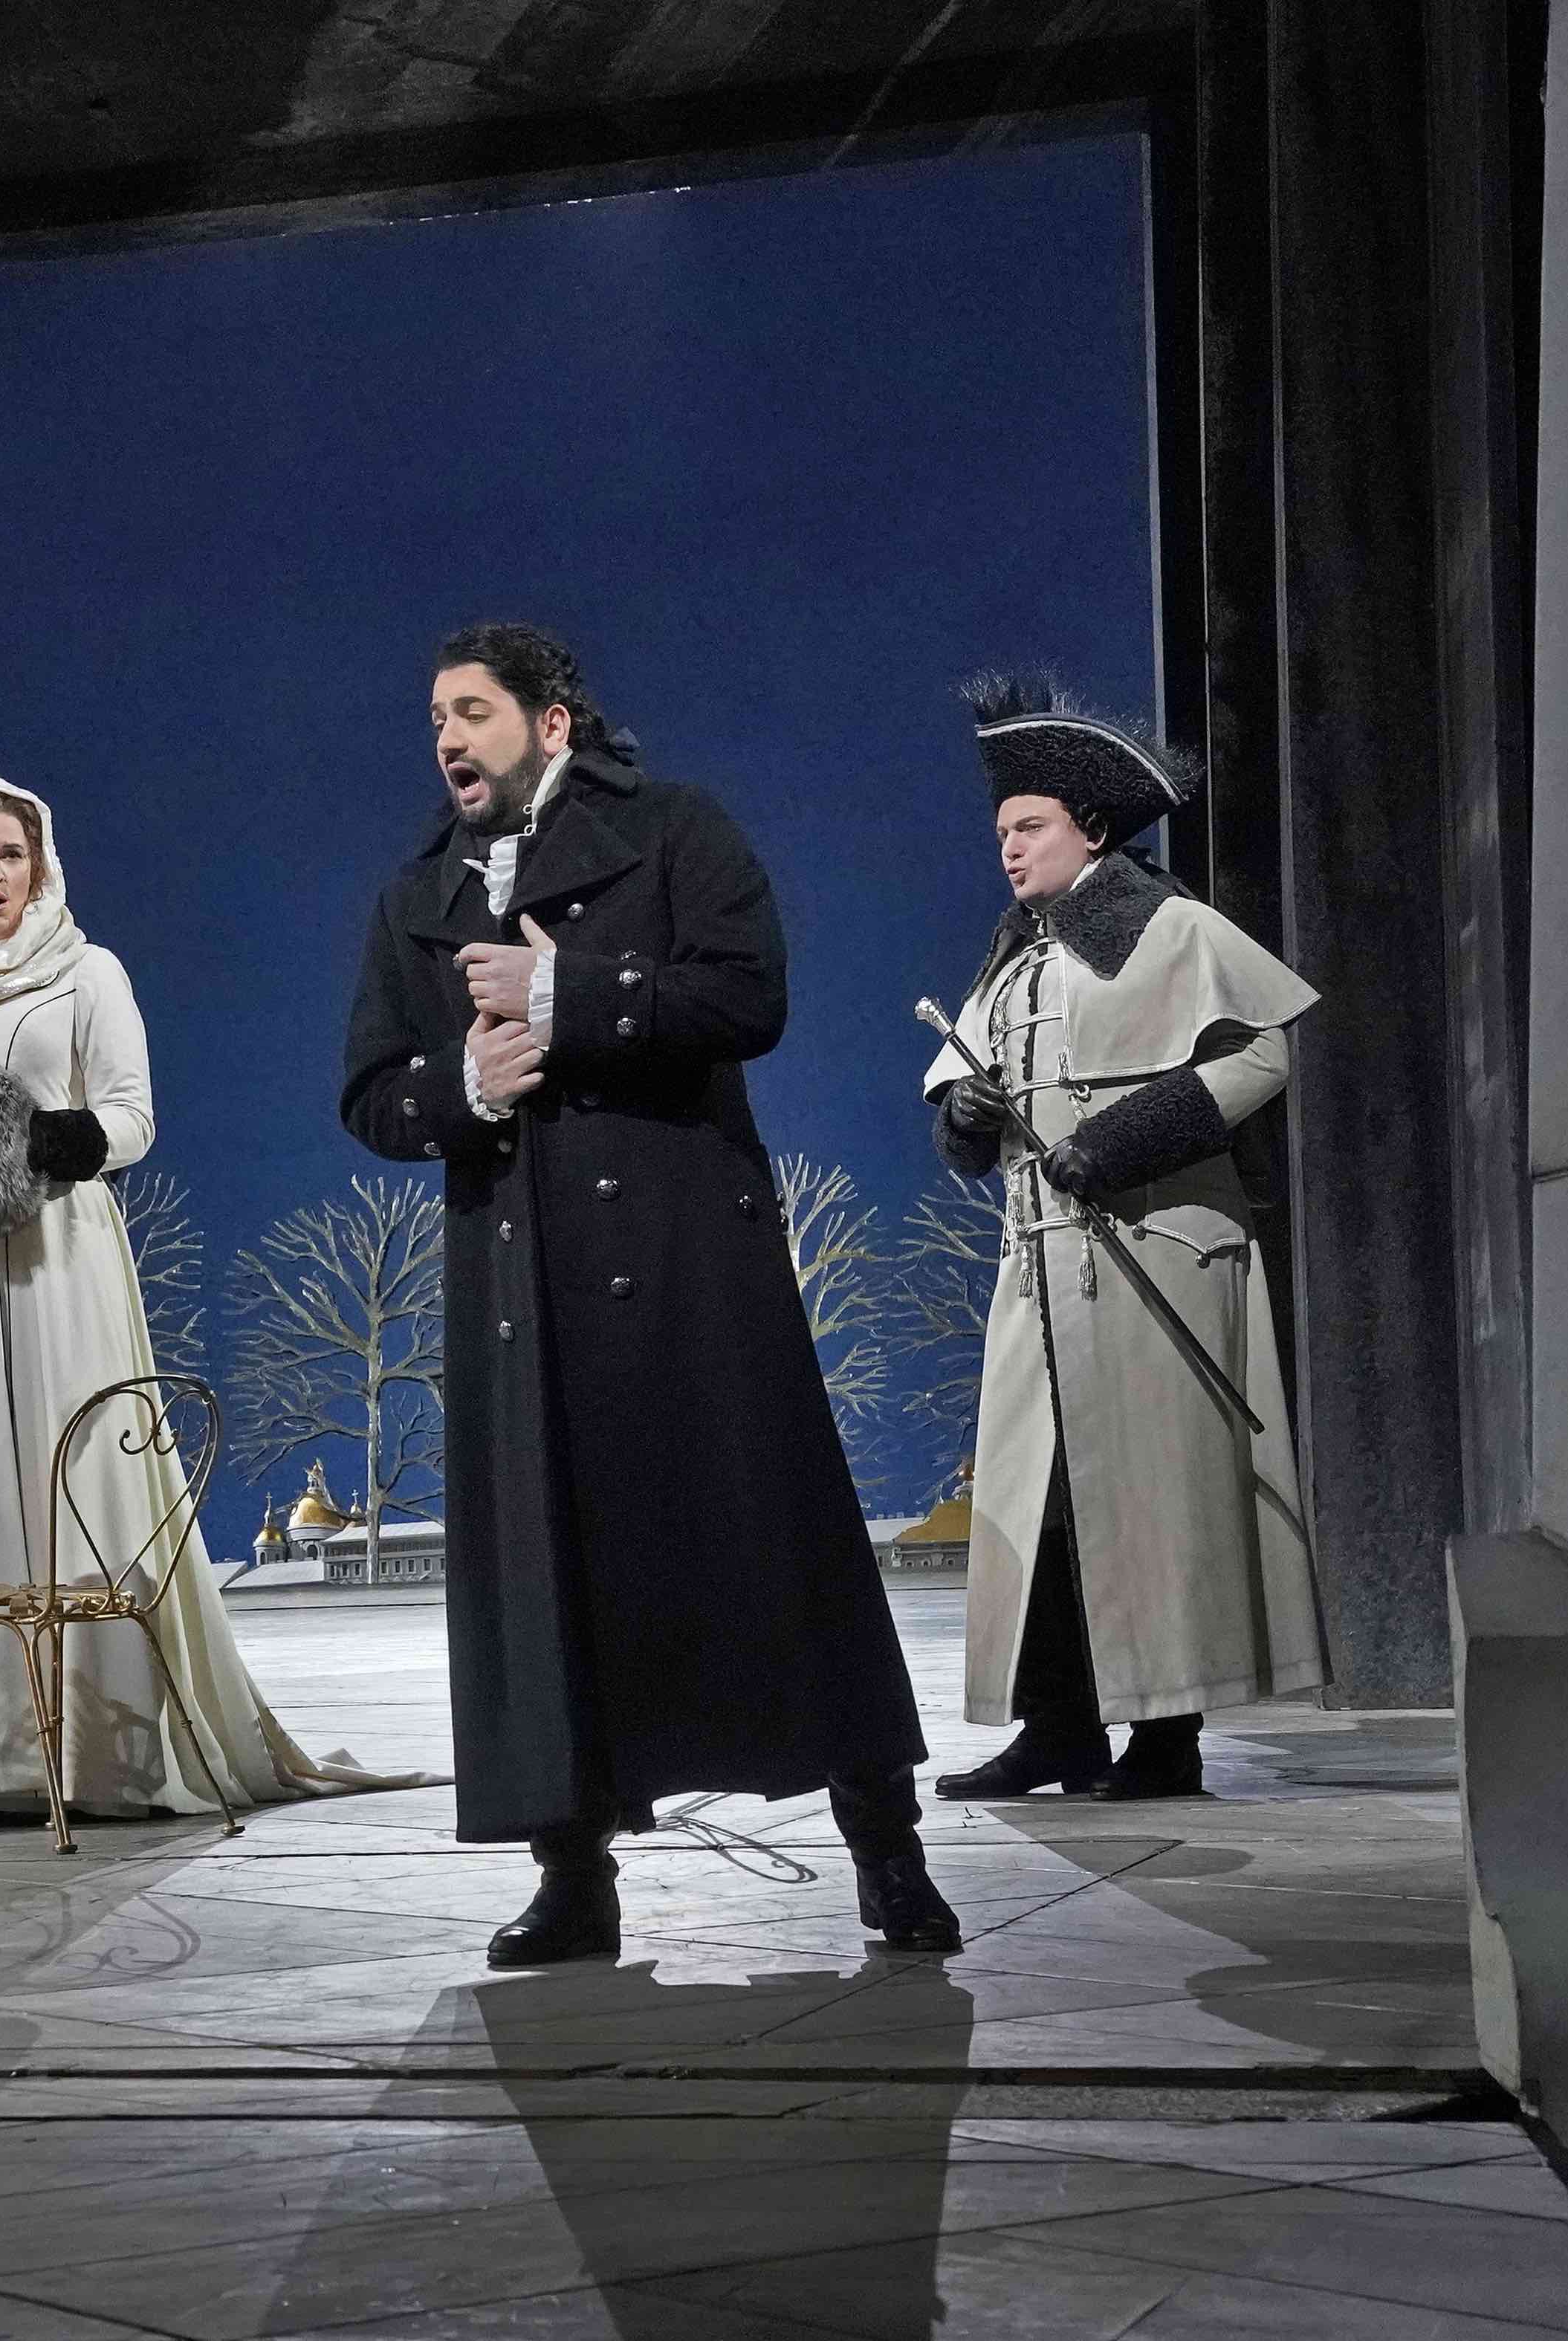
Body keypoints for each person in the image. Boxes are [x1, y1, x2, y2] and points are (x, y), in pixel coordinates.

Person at [337, 622, 956, 1963]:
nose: (446, 738)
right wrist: (459, 1088)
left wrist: (569, 993)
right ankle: (574, 1878)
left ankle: (883, 1847)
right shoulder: (412, 895)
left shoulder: (673, 828)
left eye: (473, 711)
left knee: (774, 1548)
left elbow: (748, 999)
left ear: (549, 724)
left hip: (685, 1258)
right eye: (434, 716)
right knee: (548, 1578)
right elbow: (370, 1091)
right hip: (520, 1284)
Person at [0, 779, 424, 1830]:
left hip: (54, 1259)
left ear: (42, 865)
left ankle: (94, 1756)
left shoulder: (85, 972)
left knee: (74, 1481)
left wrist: (48, 1143)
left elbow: (133, 1112)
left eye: (14, 854)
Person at [922, 676, 1323, 1802]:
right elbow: (970, 1112)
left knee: (1154, 1499)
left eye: (1029, 827)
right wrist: (964, 1114)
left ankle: (1164, 1741)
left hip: (1155, 1259)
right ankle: (1057, 1726)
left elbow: (1258, 1058)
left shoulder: (1172, 926)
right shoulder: (1015, 955)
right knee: (1044, 1503)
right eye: (1001, 830)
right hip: (1041, 1270)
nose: (1009, 848)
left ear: (1090, 829)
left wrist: (1116, 1140)